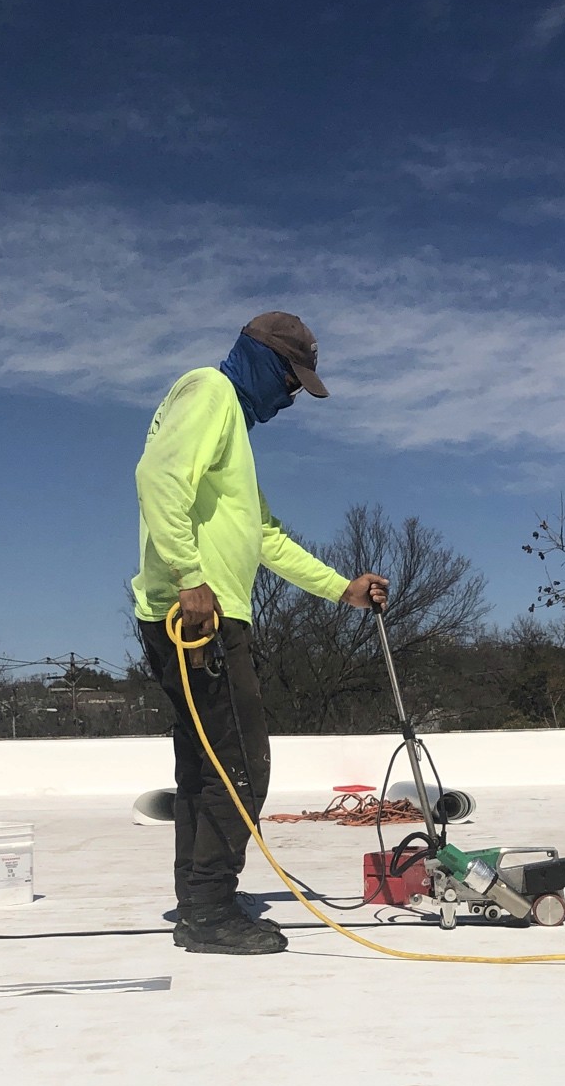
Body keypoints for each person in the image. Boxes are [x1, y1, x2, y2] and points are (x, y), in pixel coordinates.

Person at [132, 311, 387, 954]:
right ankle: (209, 914)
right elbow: (157, 479)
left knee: (205, 765)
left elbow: (263, 535)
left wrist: (340, 588)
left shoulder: (233, 436)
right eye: (291, 379)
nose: (293, 396)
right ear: (263, 361)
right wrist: (189, 576)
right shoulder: (210, 392)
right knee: (242, 766)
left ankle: (200, 900)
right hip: (198, 617)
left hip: (203, 615)